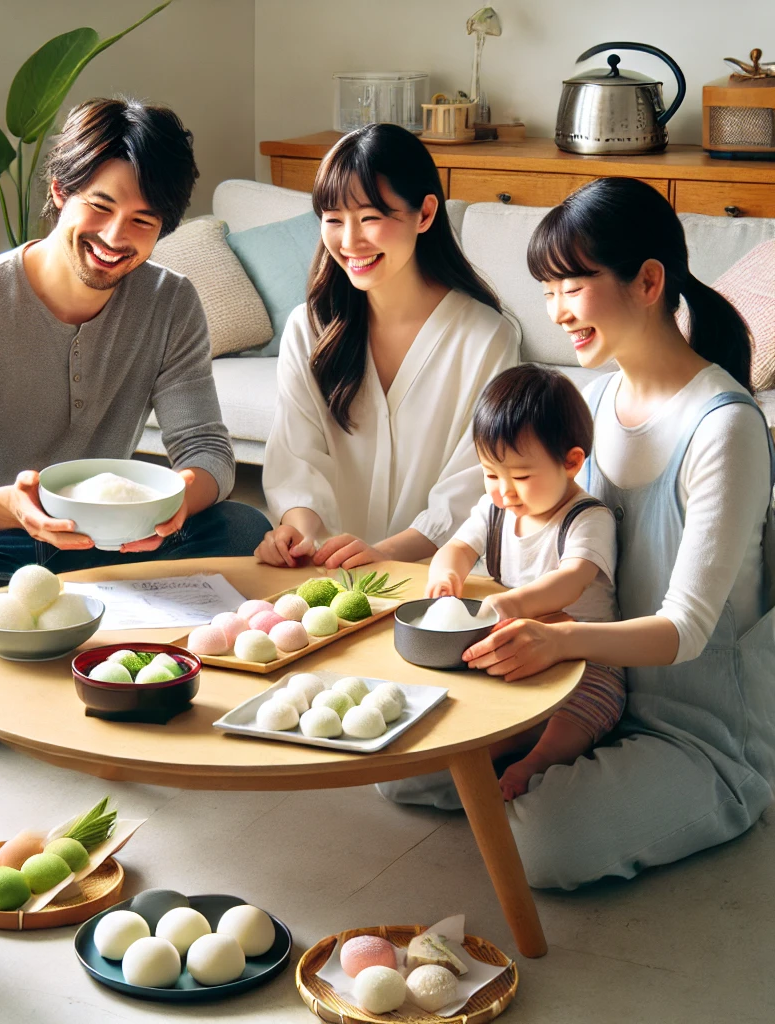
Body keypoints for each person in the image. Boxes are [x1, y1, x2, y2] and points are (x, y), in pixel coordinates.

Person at [381, 177, 775, 890]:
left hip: (697, 731)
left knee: (542, 846)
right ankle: (549, 767)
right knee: (401, 769)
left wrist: (560, 640)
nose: (557, 310)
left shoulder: (724, 427)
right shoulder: (596, 401)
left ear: (648, 281)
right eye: (547, 289)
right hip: (585, 691)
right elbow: (532, 529)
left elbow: (684, 631)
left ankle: (595, 786)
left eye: (573, 285)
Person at [0, 98, 269, 667]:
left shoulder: (170, 302)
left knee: (245, 530)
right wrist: (13, 506)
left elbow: (206, 450)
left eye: (143, 221)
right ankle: (118, 644)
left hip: (113, 543)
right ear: (59, 190)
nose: (115, 237)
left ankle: (45, 651)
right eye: (100, 206)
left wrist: (174, 504)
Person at [256, 123, 518, 572]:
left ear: (425, 214)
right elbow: (297, 457)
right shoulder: (309, 328)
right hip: (328, 572)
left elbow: (473, 483)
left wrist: (388, 554)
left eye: (370, 218)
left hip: (436, 577)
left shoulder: (485, 337)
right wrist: (298, 531)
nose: (349, 242)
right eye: (333, 219)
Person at [426, 364, 625, 800]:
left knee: (587, 706)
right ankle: (511, 738)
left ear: (571, 463)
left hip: (585, 659)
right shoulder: (495, 510)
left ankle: (537, 759)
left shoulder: (587, 518)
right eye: (490, 474)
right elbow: (456, 547)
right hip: (520, 654)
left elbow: (571, 581)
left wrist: (512, 604)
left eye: (520, 477)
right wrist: (446, 575)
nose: (504, 491)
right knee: (473, 692)